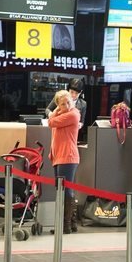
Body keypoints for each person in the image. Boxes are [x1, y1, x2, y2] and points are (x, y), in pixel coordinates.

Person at [48, 89, 80, 234]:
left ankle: (65, 225)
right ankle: (72, 223)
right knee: (63, 190)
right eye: (62, 104)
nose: (66, 105)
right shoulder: (62, 114)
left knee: (65, 191)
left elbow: (51, 122)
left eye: (68, 102)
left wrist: (56, 109)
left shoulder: (73, 114)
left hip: (68, 156)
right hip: (58, 156)